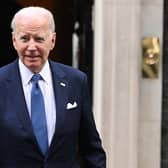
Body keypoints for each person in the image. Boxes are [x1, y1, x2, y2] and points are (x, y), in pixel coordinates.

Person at [0, 6, 106, 168]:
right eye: (24, 38)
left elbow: (91, 148)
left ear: (53, 40)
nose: (32, 47)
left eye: (39, 39)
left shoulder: (76, 81)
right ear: (14, 40)